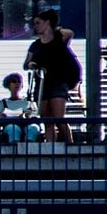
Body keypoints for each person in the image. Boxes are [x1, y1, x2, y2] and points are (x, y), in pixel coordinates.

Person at [24, 9, 79, 143]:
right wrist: (31, 64)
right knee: (47, 121)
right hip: (42, 84)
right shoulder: (35, 45)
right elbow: (26, 63)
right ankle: (51, 148)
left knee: (59, 119)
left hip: (58, 83)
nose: (35, 26)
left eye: (38, 23)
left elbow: (69, 33)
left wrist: (54, 29)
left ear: (47, 23)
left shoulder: (59, 39)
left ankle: (70, 146)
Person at [0, 73, 39, 143]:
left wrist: (28, 115)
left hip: (26, 125)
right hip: (9, 126)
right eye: (14, 82)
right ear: (8, 85)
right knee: (13, 129)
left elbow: (35, 114)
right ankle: (14, 148)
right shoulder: (3, 102)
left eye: (19, 82)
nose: (17, 84)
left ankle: (30, 147)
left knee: (33, 128)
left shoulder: (28, 101)